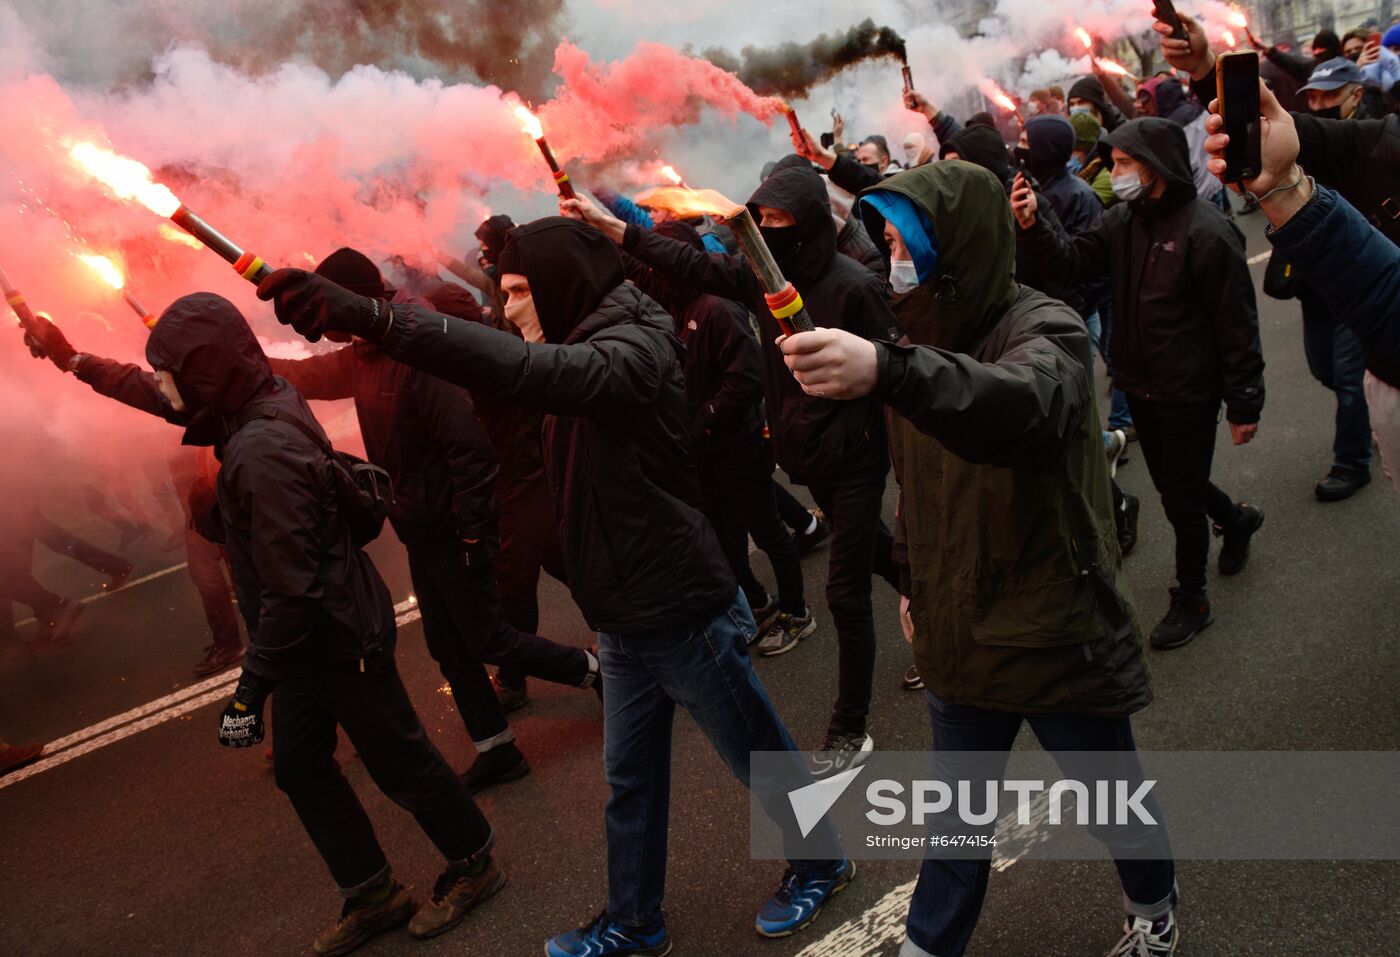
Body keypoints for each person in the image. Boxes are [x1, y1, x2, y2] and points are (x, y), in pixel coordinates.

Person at [256, 217, 855, 955]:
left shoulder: (629, 350)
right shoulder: (576, 334)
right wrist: (351, 329)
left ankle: (822, 859)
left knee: (756, 751)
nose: (507, 309)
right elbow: (492, 356)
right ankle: (636, 922)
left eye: (517, 292)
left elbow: (520, 369)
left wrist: (375, 316)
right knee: (630, 782)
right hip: (623, 610)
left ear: (561, 284)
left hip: (680, 603)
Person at [779, 159, 1178, 957]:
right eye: (884, 237)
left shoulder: (1047, 328)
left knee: (1110, 796)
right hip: (958, 622)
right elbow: (919, 485)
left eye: (901, 240)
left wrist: (888, 371)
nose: (886, 252)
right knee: (955, 820)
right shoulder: (914, 334)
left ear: (952, 247)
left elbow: (1018, 408)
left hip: (1050, 620)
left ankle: (1155, 908)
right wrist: (914, 577)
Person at [23, 294, 503, 953]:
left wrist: (249, 690)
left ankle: (475, 862)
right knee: (302, 767)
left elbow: (293, 590)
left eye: (176, 373)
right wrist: (71, 357)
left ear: (208, 373)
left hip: (335, 633)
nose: (166, 388)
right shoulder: (248, 397)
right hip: (306, 643)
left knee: (401, 761)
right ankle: (373, 891)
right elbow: (153, 391)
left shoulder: (260, 452)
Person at [568, 166, 903, 755]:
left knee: (845, 592)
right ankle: (927, 596)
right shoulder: (760, 281)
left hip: (857, 456)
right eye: (761, 219)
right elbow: (692, 265)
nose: (768, 231)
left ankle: (850, 726)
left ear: (809, 223)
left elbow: (896, 373)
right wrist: (611, 227)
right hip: (809, 456)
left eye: (779, 220)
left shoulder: (854, 286)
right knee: (873, 550)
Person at [268, 248, 599, 793]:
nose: (318, 326)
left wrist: (473, 531)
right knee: (450, 648)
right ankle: (497, 749)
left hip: (453, 526)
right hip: (421, 525)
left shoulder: (417, 348)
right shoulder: (364, 351)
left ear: (347, 300)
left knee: (491, 636)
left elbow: (469, 447)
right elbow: (306, 376)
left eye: (323, 309)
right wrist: (240, 365)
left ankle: (598, 673)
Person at [1013, 117, 1266, 651]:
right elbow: (1073, 263)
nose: (1116, 172)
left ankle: (1191, 598)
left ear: (1155, 167)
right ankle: (1236, 520)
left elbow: (1237, 324)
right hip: (1140, 382)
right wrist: (1034, 224)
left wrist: (1245, 402)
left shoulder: (1208, 231)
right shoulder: (1121, 220)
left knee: (1179, 498)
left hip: (1188, 390)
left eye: (1126, 163)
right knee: (1180, 481)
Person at [1163, 16, 1400, 497]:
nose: (1319, 102)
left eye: (1330, 94)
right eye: (1313, 95)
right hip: (1360, 331)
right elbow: (1291, 132)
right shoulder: (1385, 141)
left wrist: (1288, 194)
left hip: (1375, 341)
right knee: (1330, 370)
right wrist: (1208, 68)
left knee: (1349, 380)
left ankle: (1351, 459)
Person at [631, 219, 812, 650]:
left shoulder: (716, 306)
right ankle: (753, 599)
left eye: (660, 262)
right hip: (705, 449)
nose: (653, 272)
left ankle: (796, 611)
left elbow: (747, 379)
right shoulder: (676, 304)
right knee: (720, 531)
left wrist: (703, 420)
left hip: (738, 443)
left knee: (767, 530)